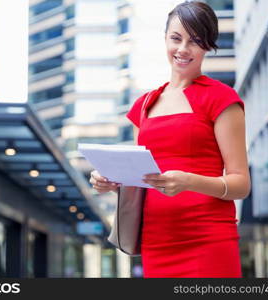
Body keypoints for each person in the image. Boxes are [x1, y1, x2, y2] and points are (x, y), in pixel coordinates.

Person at [89, 1, 251, 278]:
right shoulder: (143, 106)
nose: (183, 49)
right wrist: (112, 182)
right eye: (176, 38)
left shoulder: (222, 99)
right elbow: (141, 181)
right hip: (157, 242)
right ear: (165, 38)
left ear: (208, 46)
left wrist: (189, 181)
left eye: (195, 41)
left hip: (208, 240)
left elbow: (241, 184)